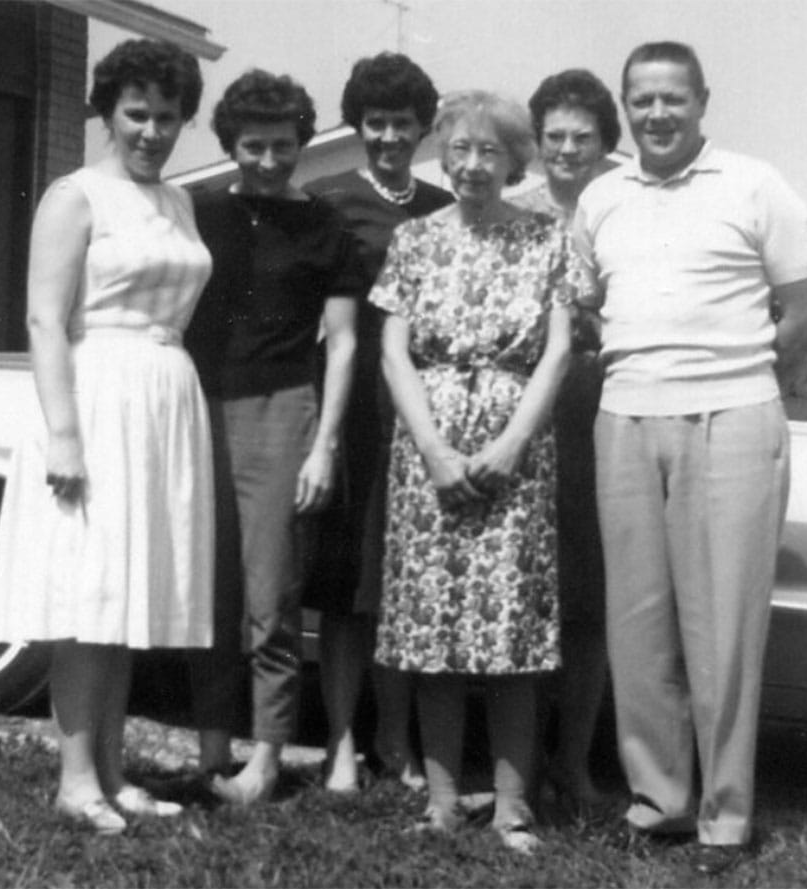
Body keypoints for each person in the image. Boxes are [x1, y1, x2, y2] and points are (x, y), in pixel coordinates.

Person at [572, 42, 807, 874]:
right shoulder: (601, 197)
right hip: (626, 415)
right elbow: (585, 308)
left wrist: (752, 384)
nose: (656, 115)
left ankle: (726, 816)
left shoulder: (755, 185)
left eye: (672, 99)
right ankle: (661, 800)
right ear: (625, 106)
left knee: (722, 626)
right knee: (638, 626)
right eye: (641, 100)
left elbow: (804, 313)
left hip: (733, 415)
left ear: (703, 101)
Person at [0, 39, 214, 835]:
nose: (152, 130)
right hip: (97, 397)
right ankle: (75, 780)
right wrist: (65, 435)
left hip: (163, 397)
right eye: (136, 113)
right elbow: (46, 318)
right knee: (90, 594)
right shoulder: (74, 195)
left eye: (168, 116)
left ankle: (113, 774)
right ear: (108, 112)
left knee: (129, 597)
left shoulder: (177, 202)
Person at [370, 90, 591, 853]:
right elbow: (394, 351)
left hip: (515, 449)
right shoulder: (413, 239)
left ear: (514, 161)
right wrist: (433, 449)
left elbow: (559, 349)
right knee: (431, 630)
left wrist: (509, 446)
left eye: (489, 151)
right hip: (426, 445)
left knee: (511, 631)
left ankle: (511, 806)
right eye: (459, 149)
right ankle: (438, 801)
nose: (471, 166)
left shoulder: (547, 237)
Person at [185, 69, 361, 806]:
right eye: (253, 146)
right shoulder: (198, 213)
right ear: (231, 144)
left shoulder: (325, 225)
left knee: (270, 594)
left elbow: (345, 343)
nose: (267, 159)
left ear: (301, 142)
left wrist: (323, 444)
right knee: (208, 593)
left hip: (283, 408)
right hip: (197, 407)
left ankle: (265, 758)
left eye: (282, 145)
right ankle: (212, 749)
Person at [302, 52, 453, 795]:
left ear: (425, 128)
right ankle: (339, 740)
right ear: (357, 125)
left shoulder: (439, 206)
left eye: (403, 123)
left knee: (402, 580)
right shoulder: (326, 198)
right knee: (345, 584)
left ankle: (397, 737)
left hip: (421, 408)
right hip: (351, 402)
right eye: (376, 122)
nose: (389, 135)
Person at [514, 67, 620, 815]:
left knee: (588, 604)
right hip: (522, 414)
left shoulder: (627, 209)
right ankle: (512, 761)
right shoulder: (512, 213)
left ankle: (574, 762)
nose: (567, 149)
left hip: (597, 413)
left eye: (583, 137)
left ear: (605, 143)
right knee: (519, 590)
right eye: (554, 136)